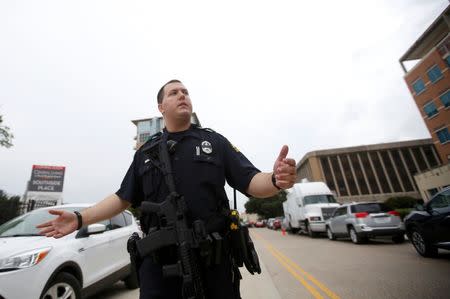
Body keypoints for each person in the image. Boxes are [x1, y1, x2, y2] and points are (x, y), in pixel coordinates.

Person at [37, 79, 297, 299]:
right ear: (161, 107)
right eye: (174, 93)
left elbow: (251, 181)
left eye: (185, 92)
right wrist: (81, 218)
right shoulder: (146, 153)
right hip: (159, 268)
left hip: (213, 262)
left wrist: (275, 179)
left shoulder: (213, 142)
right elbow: (122, 197)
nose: (182, 95)